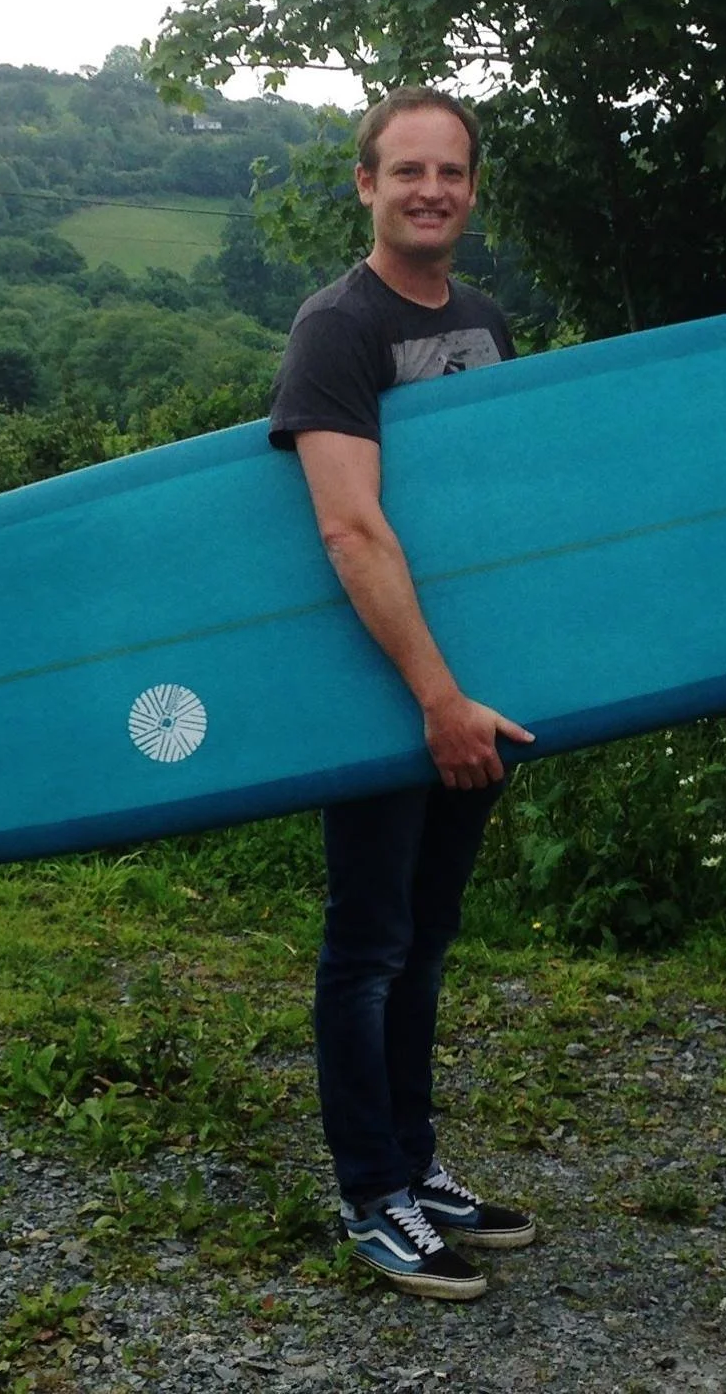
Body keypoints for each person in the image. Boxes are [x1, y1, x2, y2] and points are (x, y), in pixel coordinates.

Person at [267, 87, 538, 1302]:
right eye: (406, 171)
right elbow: (350, 529)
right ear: (364, 185)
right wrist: (433, 698)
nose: (431, 190)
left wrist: (483, 691)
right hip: (381, 688)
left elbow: (498, 523)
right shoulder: (338, 327)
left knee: (423, 945)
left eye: (453, 172)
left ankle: (417, 1168)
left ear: (471, 189)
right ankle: (368, 1191)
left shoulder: (482, 322)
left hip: (467, 690)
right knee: (367, 947)